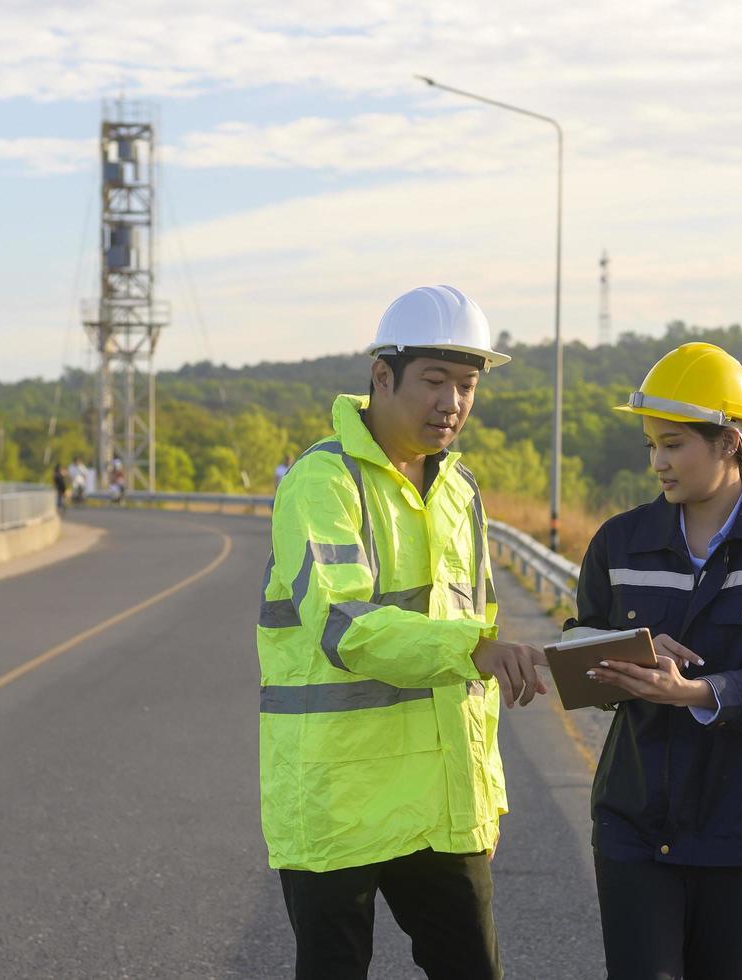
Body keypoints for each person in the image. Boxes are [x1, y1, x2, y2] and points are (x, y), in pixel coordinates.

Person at [257, 285, 549, 980]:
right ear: (382, 376)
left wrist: (484, 794)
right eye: (435, 381)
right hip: (339, 798)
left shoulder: (462, 491)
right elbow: (344, 626)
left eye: (468, 385)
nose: (453, 402)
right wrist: (476, 653)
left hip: (442, 801)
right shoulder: (321, 484)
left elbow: (475, 623)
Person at [563, 342, 742, 980]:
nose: (658, 462)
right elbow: (582, 663)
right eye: (651, 445)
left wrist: (694, 692)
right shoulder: (620, 543)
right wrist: (620, 658)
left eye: (674, 444)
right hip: (635, 823)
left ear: (731, 442)